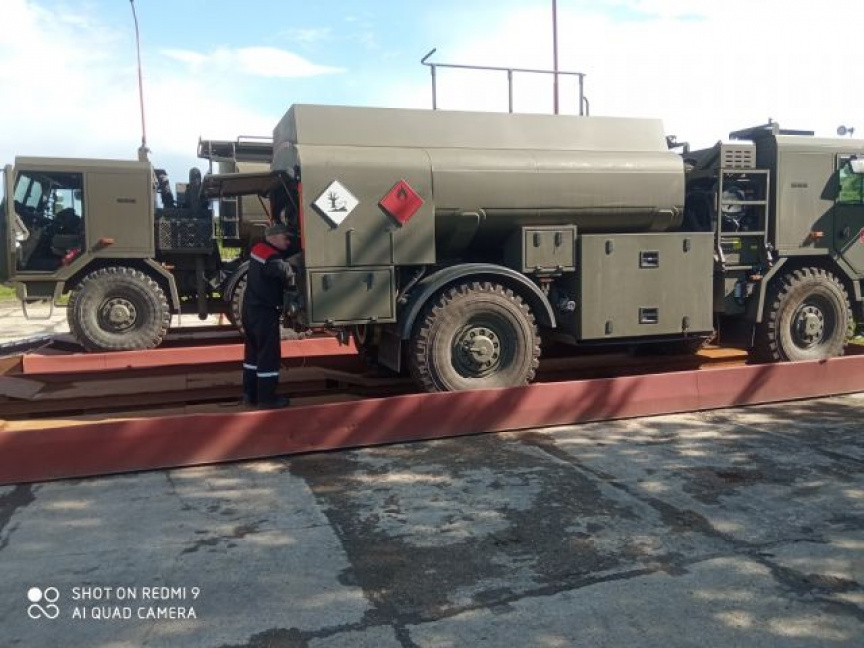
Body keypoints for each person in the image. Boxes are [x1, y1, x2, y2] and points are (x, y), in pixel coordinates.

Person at [242, 223, 296, 409]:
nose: (288, 242)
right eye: (286, 238)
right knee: (268, 355)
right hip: (264, 312)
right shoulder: (270, 256)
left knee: (253, 354)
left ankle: (250, 395)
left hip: (250, 309)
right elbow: (286, 272)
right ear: (273, 237)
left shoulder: (257, 249)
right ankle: (267, 399)